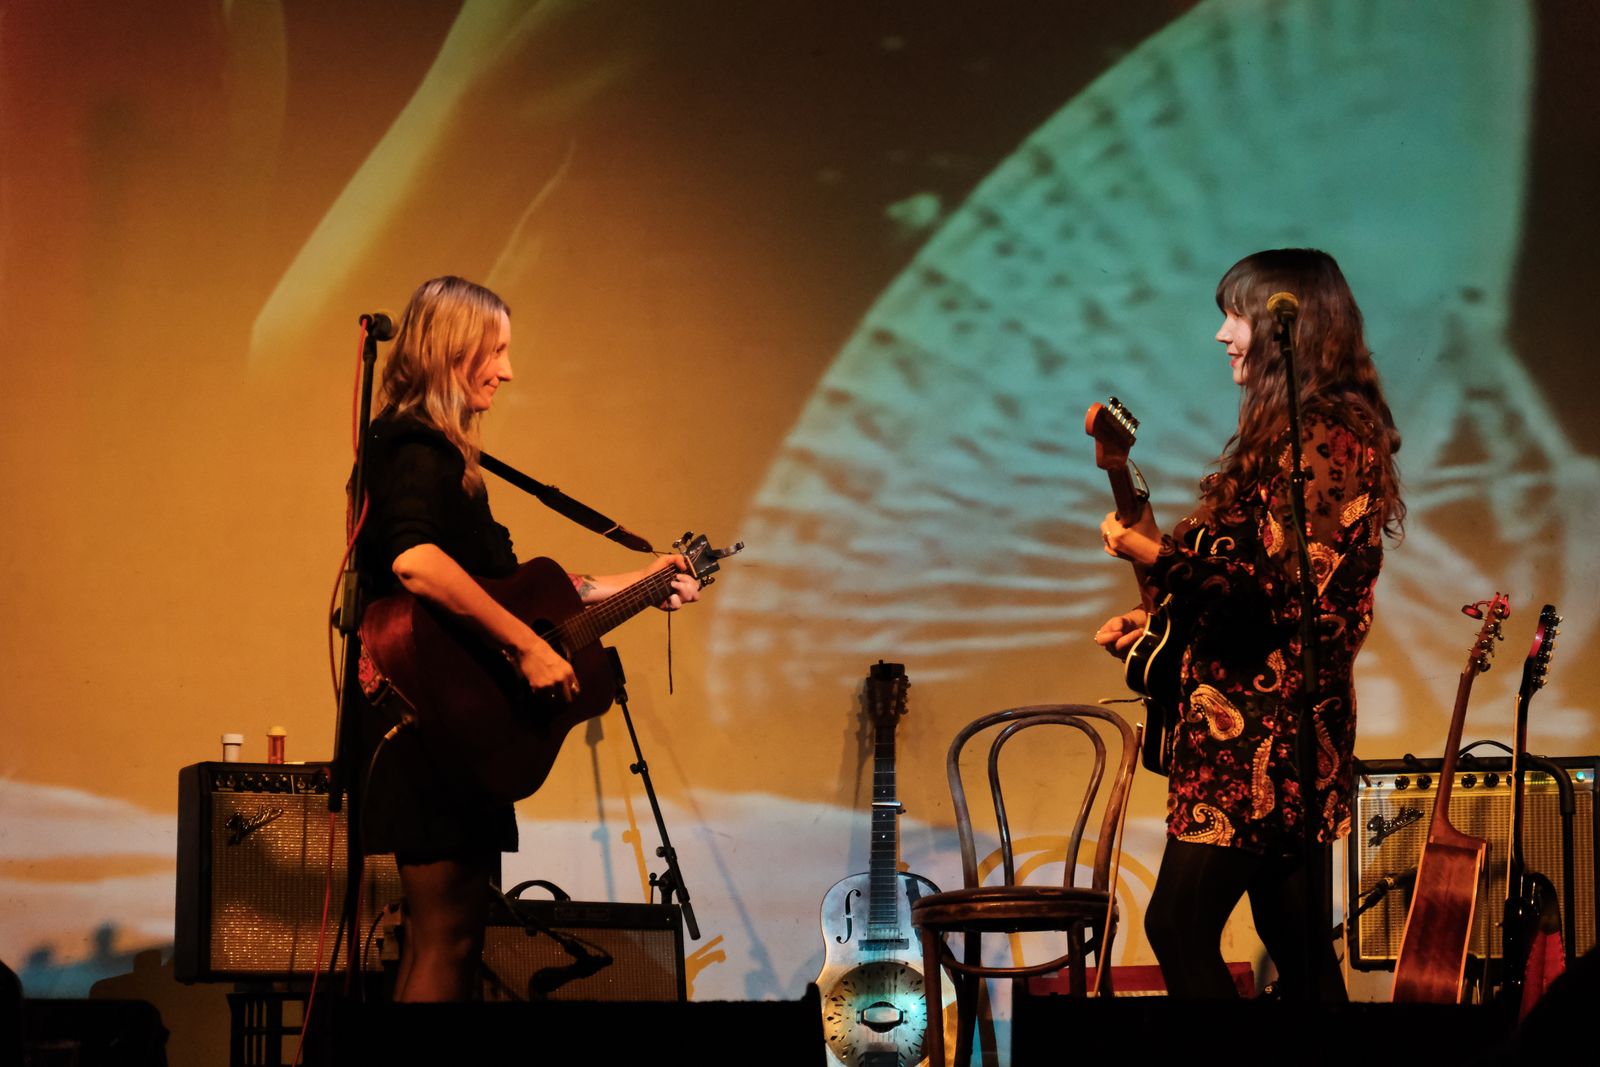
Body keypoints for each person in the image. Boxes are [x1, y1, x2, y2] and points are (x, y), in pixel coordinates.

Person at [352, 275, 700, 1002]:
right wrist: (527, 647)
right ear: (453, 350)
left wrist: (645, 582)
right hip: (434, 730)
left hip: (457, 728)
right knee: (446, 942)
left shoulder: (445, 458)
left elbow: (527, 591)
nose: (507, 371)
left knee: (443, 940)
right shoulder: (415, 447)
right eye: (497, 351)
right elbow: (414, 561)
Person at [1094, 249, 1403, 999]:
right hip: (1260, 727)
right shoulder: (1295, 436)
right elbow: (1245, 577)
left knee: (1179, 924)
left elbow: (1283, 598)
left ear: (1284, 327)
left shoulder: (1328, 437)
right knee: (1295, 937)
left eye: (1236, 316)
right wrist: (1155, 617)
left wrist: (1153, 554)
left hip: (1267, 736)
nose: (1223, 335)